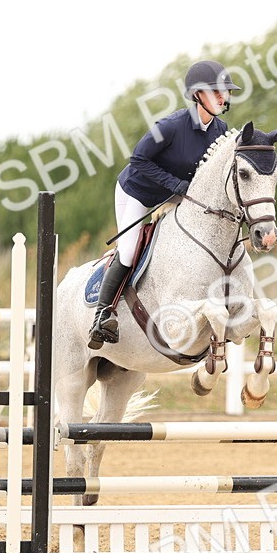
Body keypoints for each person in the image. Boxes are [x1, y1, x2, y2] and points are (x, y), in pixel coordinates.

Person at [88, 59, 242, 348]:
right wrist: (175, 187)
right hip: (137, 192)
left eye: (226, 92)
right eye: (217, 92)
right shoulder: (170, 127)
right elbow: (139, 159)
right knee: (129, 251)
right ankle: (103, 315)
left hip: (174, 194)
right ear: (198, 95)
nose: (224, 97)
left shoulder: (221, 132)